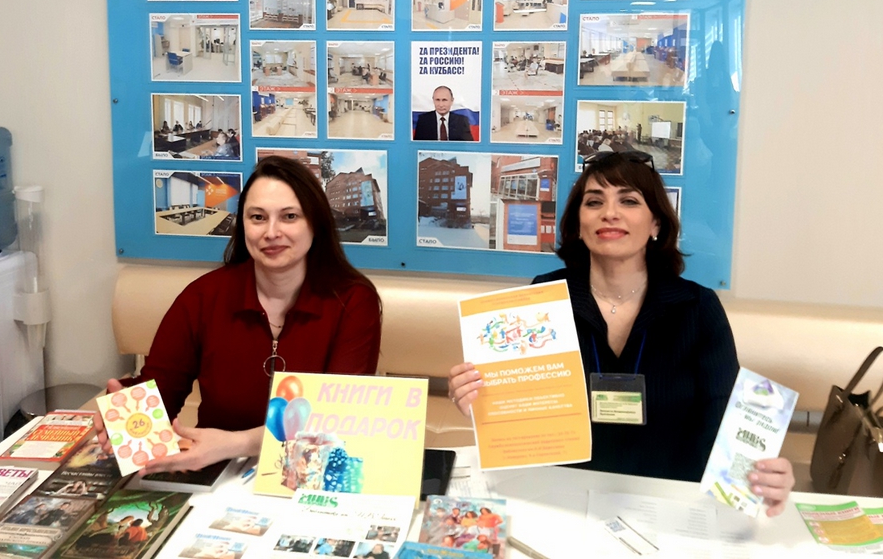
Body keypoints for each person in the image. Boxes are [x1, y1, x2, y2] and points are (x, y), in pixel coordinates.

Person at [448, 151, 795, 517]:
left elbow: (725, 424)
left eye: (628, 201)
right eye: (594, 202)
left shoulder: (697, 308)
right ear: (578, 224)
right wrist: (481, 400)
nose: (609, 213)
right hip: (561, 503)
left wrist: (761, 478)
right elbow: (523, 417)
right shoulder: (542, 300)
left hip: (668, 511)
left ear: (656, 222)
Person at [97, 156, 383, 472]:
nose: (271, 232)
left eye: (289, 216)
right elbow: (160, 395)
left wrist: (238, 443)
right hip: (214, 474)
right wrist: (124, 419)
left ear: (315, 223)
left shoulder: (353, 300)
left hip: (309, 472)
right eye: (258, 217)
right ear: (243, 224)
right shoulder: (203, 297)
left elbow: (339, 418)